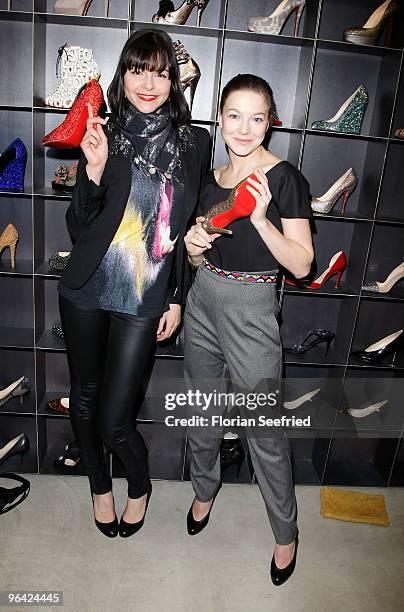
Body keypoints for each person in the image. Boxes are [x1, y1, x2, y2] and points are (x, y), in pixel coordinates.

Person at [58, 28, 210, 538]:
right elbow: (79, 227)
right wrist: (93, 170)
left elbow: (192, 229)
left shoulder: (195, 142)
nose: (149, 82)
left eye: (161, 72)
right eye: (138, 69)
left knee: (114, 419)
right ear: (123, 74)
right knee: (84, 397)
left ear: (174, 80)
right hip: (86, 287)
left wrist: (177, 296)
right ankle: (99, 486)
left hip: (145, 294)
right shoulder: (106, 129)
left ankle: (139, 486)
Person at [183, 74, 314, 585]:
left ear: (270, 123)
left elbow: (302, 265)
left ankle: (286, 533)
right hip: (203, 303)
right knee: (201, 412)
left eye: (256, 118)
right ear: (220, 118)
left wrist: (261, 220)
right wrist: (195, 245)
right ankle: (204, 488)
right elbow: (196, 260)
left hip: (253, 308)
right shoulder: (210, 179)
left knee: (264, 430)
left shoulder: (283, 179)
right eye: (234, 115)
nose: (244, 127)